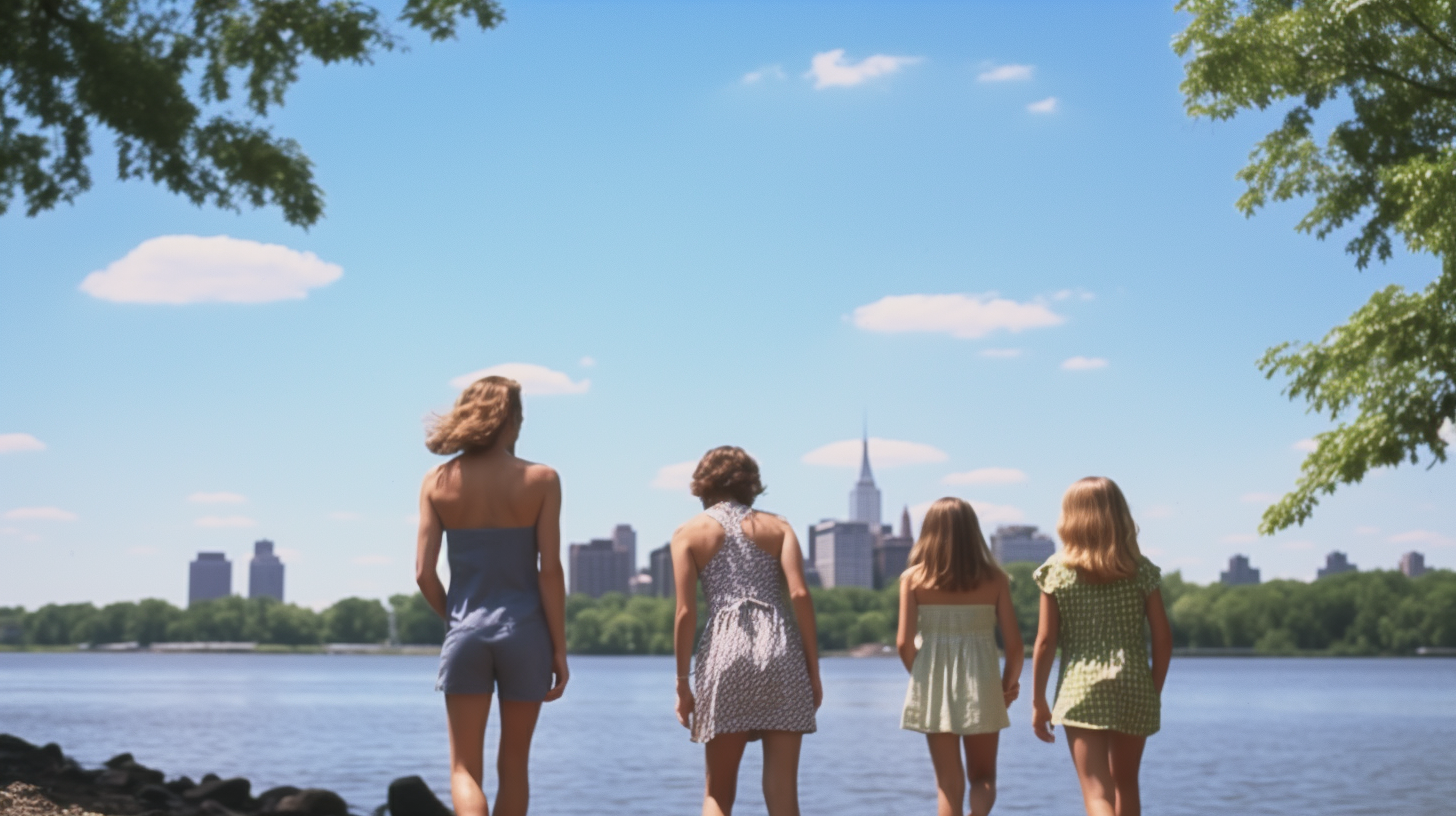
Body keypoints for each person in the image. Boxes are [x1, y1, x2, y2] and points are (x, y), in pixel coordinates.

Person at [414, 376, 569, 816]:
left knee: (464, 769)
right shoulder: (542, 479)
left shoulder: (437, 481)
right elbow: (550, 571)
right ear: (512, 421)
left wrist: (457, 621)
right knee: (515, 766)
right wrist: (559, 648)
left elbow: (424, 574)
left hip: (465, 635)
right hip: (526, 634)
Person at [671, 446, 822, 816]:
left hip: (725, 651)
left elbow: (686, 612)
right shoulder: (779, 526)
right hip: (781, 649)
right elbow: (800, 593)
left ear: (702, 486)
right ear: (751, 485)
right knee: (783, 789)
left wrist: (682, 682)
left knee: (717, 793)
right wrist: (813, 671)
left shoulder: (688, 533)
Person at [1031, 477, 1173, 816]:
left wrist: (1038, 701)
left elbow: (1046, 640)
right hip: (1134, 682)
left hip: (1081, 688)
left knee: (1097, 792)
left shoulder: (1056, 571)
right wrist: (1153, 689)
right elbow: (1163, 637)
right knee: (1126, 784)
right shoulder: (1141, 571)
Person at [897, 497, 1024, 816]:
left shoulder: (913, 579)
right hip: (982, 683)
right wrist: (1007, 686)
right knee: (983, 778)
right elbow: (1015, 647)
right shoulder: (995, 579)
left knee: (947, 785)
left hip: (933, 684)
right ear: (973, 533)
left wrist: (922, 675)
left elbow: (903, 643)